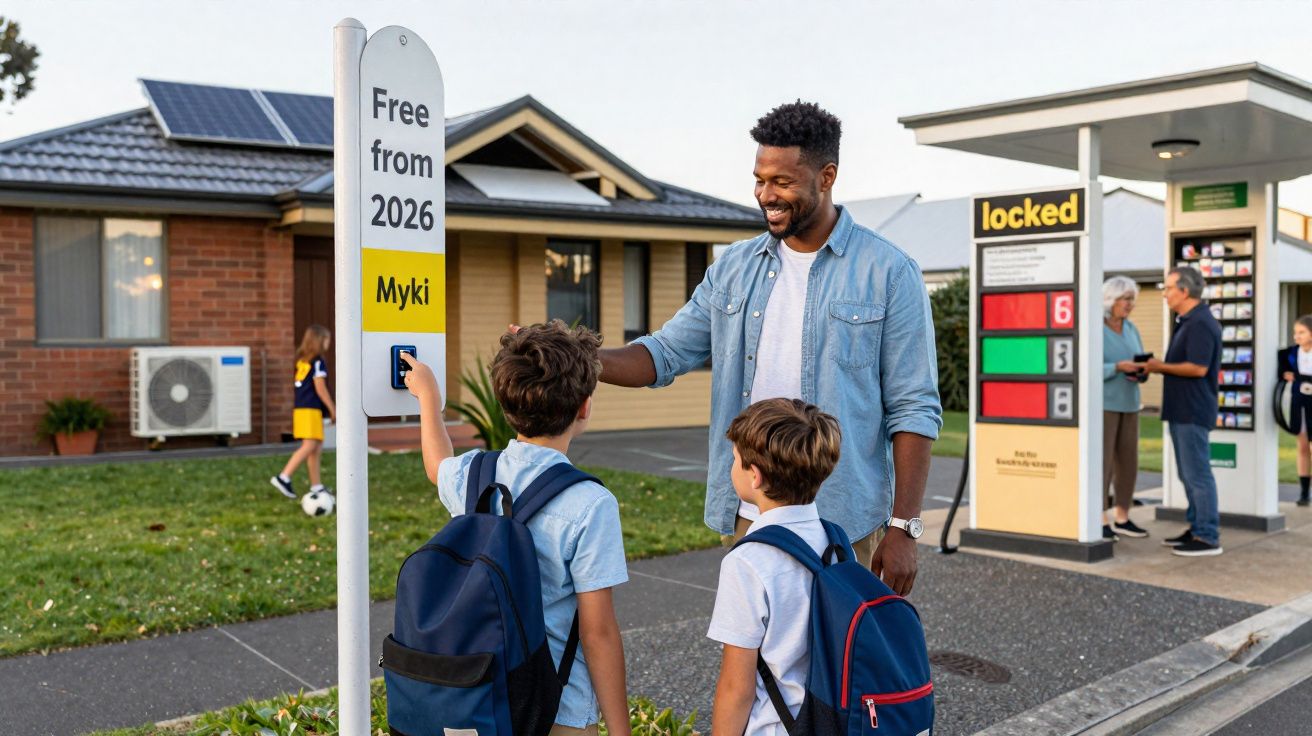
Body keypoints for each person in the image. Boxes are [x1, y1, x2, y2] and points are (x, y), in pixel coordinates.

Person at [588, 101, 942, 596]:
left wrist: (904, 527)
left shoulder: (889, 272)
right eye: (759, 179)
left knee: (838, 666)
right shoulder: (734, 267)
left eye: (782, 182)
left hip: (841, 520)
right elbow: (664, 354)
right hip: (751, 514)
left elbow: (914, 407)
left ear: (827, 176)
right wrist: (579, 357)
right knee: (753, 666)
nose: (765, 195)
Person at [399, 322, 631, 736]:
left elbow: (437, 466)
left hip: (480, 692)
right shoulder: (591, 504)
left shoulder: (472, 475)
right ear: (584, 406)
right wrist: (620, 730)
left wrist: (429, 399)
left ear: (505, 404)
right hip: (558, 706)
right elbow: (598, 633)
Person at [708, 398, 843, 736]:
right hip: (833, 721)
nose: (733, 466)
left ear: (754, 476)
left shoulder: (747, 562)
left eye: (735, 459)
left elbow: (735, 688)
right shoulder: (836, 543)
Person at [1141, 267, 1223, 557]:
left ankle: (1207, 536)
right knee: (1188, 475)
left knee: (1197, 474)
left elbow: (1198, 368)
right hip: (1183, 410)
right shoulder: (1189, 320)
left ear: (1184, 291)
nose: (1164, 293)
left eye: (1167, 288)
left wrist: (1158, 366)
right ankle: (1197, 527)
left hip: (1192, 410)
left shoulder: (1200, 323)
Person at [1102, 276, 1149, 540]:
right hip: (1105, 404)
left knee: (1128, 462)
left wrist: (1141, 371)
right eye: (1125, 299)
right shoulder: (1095, 329)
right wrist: (1116, 368)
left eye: (1132, 299)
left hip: (1130, 402)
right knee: (1104, 462)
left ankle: (1123, 516)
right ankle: (1099, 518)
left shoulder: (1131, 329)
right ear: (1110, 300)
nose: (1130, 304)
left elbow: (1137, 358)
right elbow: (1086, 368)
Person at [271, 325, 336, 499]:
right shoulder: (318, 362)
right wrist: (333, 409)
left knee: (315, 447)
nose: (329, 342)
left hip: (300, 408)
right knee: (310, 445)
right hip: (310, 409)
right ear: (319, 341)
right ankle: (284, 477)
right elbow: (320, 389)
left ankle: (316, 486)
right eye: (327, 339)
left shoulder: (302, 361)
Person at [1278, 315, 1312, 506]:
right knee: (1302, 445)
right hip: (1299, 403)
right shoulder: (1289, 354)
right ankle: (1304, 492)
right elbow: (1282, 371)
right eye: (1295, 332)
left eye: (1302, 332)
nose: (1297, 336)